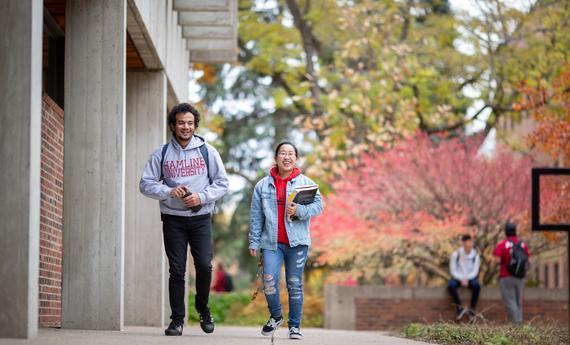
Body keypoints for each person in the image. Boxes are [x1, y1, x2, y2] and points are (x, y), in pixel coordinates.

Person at [140, 102, 229, 336]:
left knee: (204, 266)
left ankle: (202, 307)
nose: (186, 127)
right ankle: (177, 320)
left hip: (200, 218)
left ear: (195, 125)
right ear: (172, 125)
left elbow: (222, 183)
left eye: (190, 123)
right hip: (173, 219)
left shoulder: (207, 151)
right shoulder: (160, 154)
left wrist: (201, 197)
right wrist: (168, 192)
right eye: (181, 123)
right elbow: (145, 184)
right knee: (177, 269)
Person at [249, 142, 323, 340]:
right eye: (283, 153)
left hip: (297, 243)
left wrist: (300, 211)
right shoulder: (262, 185)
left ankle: (295, 327)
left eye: (291, 153)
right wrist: (254, 241)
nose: (287, 157)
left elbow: (318, 206)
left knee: (294, 283)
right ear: (276, 158)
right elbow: (256, 215)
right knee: (269, 281)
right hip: (272, 243)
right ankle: (276, 316)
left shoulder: (306, 183)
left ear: (296, 158)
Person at [493, 222, 531, 324]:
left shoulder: (502, 245)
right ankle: (519, 324)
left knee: (510, 302)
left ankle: (515, 326)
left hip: (506, 276)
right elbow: (528, 259)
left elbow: (497, 260)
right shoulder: (522, 244)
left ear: (506, 232)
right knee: (518, 302)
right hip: (520, 277)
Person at [447, 234, 481, 321]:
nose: (468, 245)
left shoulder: (475, 255)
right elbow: (453, 270)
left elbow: (475, 271)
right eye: (466, 244)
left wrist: (467, 279)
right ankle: (459, 308)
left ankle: (472, 309)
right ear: (463, 244)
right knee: (451, 285)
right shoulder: (456, 254)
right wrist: (461, 278)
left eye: (470, 243)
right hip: (458, 278)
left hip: (470, 278)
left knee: (477, 286)